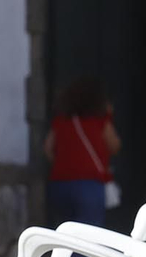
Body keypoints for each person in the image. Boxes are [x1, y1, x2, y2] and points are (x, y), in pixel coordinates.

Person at [43, 77, 120, 227]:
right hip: (89, 184)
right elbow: (114, 145)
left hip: (60, 183)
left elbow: (47, 148)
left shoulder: (60, 122)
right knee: (88, 236)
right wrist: (109, 116)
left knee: (65, 232)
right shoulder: (100, 121)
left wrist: (64, 163)